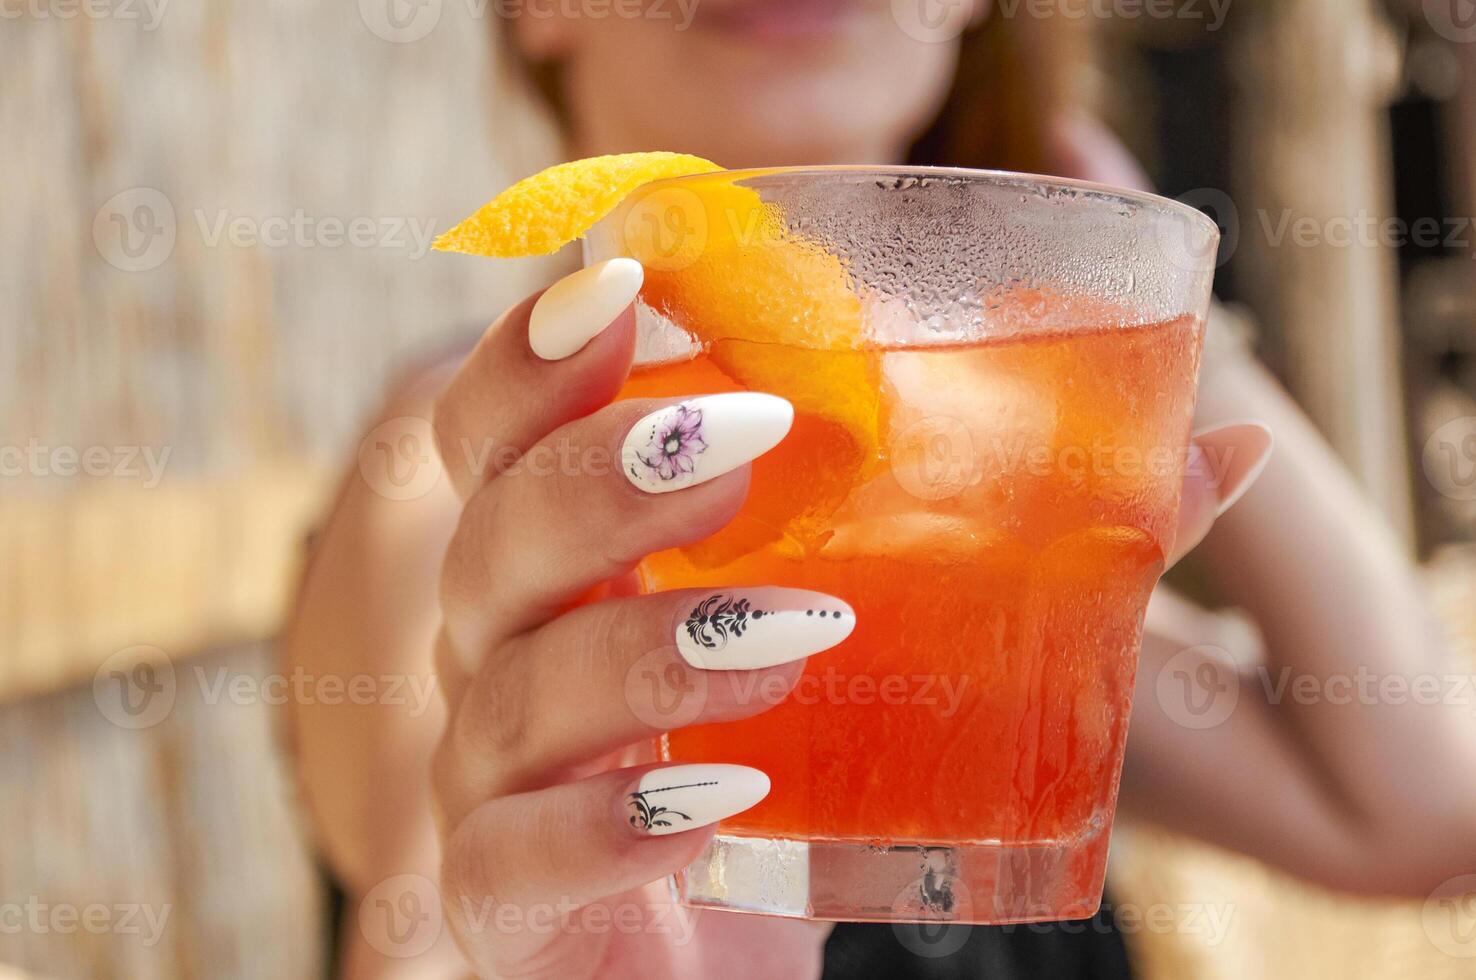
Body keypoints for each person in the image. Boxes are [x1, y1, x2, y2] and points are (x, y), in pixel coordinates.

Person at [283, 6, 1476, 978]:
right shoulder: (459, 472)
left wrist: (1149, 293)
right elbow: (422, 924)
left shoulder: (967, 508)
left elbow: (1425, 813)